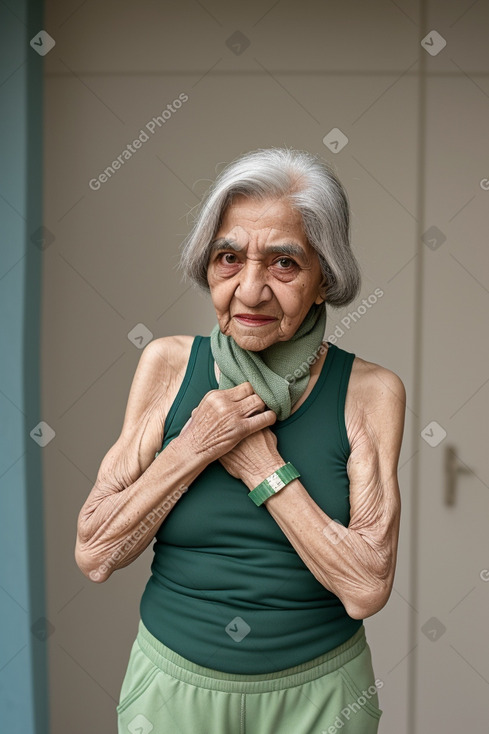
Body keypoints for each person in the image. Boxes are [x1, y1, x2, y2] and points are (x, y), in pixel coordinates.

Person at [75, 146, 405, 734]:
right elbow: (97, 553)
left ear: (325, 278)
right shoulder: (168, 365)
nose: (249, 292)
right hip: (174, 687)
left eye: (284, 264)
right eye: (229, 258)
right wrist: (194, 445)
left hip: (323, 695)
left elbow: (366, 588)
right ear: (206, 264)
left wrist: (264, 471)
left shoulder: (370, 391)